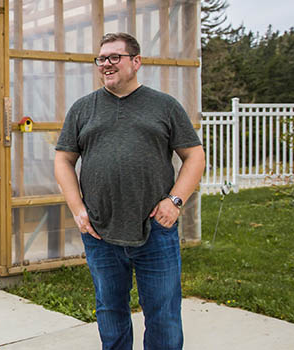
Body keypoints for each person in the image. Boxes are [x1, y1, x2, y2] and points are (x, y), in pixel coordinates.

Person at [54, 33, 205, 350]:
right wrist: (78, 210)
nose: (106, 64)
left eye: (114, 57)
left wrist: (175, 201)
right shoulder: (83, 109)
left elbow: (194, 156)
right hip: (99, 230)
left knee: (163, 315)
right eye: (101, 59)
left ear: (136, 62)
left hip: (156, 229)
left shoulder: (164, 106)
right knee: (110, 311)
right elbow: (64, 160)